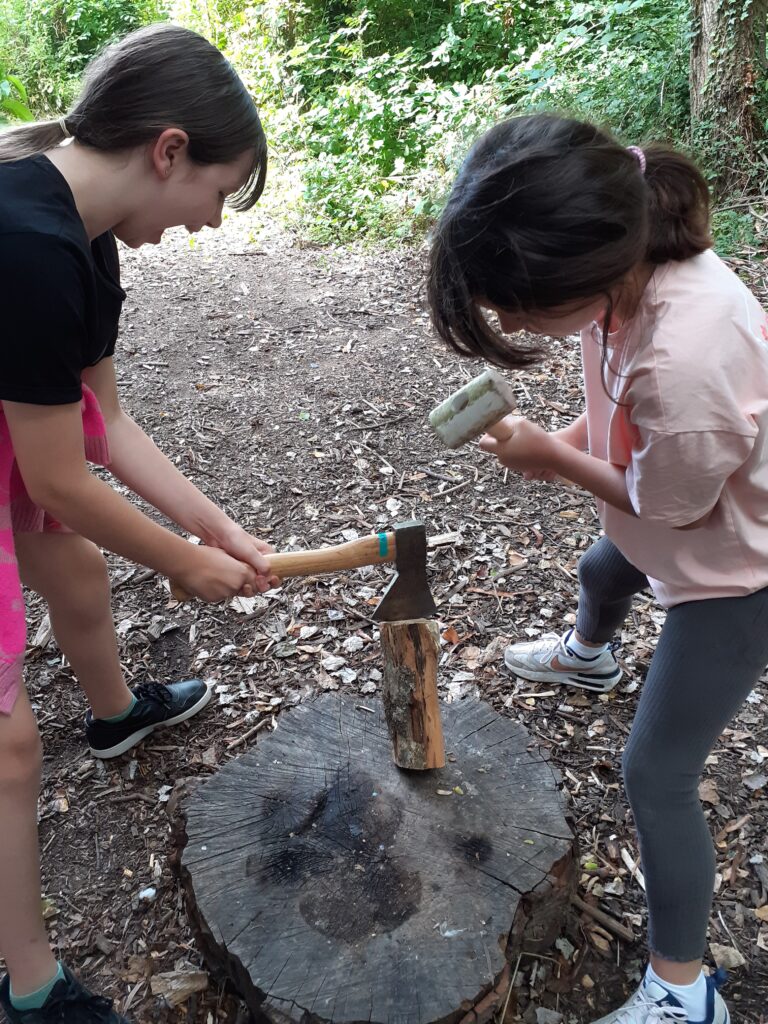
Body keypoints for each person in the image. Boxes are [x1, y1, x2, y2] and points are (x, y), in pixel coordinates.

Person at [426, 114, 768, 1023]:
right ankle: (591, 655)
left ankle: (683, 990)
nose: (505, 321)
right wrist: (570, 439)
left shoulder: (689, 355)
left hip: (739, 570)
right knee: (602, 566)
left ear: (584, 278)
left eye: (514, 307)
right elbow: (616, 414)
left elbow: (673, 505)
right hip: (672, 516)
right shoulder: (618, 265)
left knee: (655, 774)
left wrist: (553, 458)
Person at [0, 23, 280, 1024]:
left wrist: (222, 530)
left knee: (72, 567)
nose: (210, 221)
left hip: (16, 426)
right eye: (219, 189)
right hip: (13, 441)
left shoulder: (87, 230)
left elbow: (106, 427)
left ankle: (116, 717)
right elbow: (61, 477)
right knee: (11, 746)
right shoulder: (26, 242)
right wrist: (183, 563)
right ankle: (28, 987)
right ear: (169, 150)